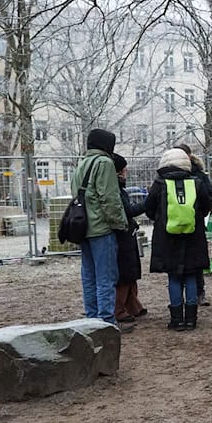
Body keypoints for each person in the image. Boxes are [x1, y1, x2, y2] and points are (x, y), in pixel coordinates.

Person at [145, 148, 212, 331]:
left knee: (174, 276)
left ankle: (176, 319)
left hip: (167, 237)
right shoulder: (197, 182)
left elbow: (149, 208)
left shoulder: (159, 183)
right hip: (193, 236)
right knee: (191, 275)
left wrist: (162, 219)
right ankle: (191, 319)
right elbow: (207, 205)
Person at [72, 129, 128, 327]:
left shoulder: (82, 163)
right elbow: (109, 198)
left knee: (89, 276)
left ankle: (92, 321)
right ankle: (106, 322)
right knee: (106, 277)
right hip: (101, 229)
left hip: (83, 227)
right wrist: (120, 224)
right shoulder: (104, 163)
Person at [175, 144, 212, 307]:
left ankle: (197, 294)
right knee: (187, 264)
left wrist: (199, 214)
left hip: (187, 225)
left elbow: (209, 198)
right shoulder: (197, 176)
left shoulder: (198, 175)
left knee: (193, 264)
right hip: (185, 225)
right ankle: (190, 297)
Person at [113, 154, 147, 324]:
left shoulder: (118, 189)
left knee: (130, 271)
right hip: (123, 235)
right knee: (126, 272)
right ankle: (120, 308)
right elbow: (128, 211)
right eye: (124, 170)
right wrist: (147, 204)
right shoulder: (117, 190)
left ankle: (132, 304)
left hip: (126, 233)